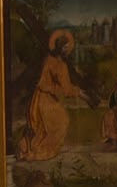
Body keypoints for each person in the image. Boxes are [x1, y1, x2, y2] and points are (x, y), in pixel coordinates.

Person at [16, 29, 85, 162]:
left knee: (40, 127)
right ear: (59, 48)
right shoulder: (59, 64)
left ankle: (26, 148)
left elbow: (59, 87)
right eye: (65, 47)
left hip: (40, 97)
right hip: (45, 99)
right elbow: (66, 89)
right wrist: (80, 93)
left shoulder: (49, 60)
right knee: (61, 122)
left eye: (68, 47)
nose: (67, 50)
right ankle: (39, 152)